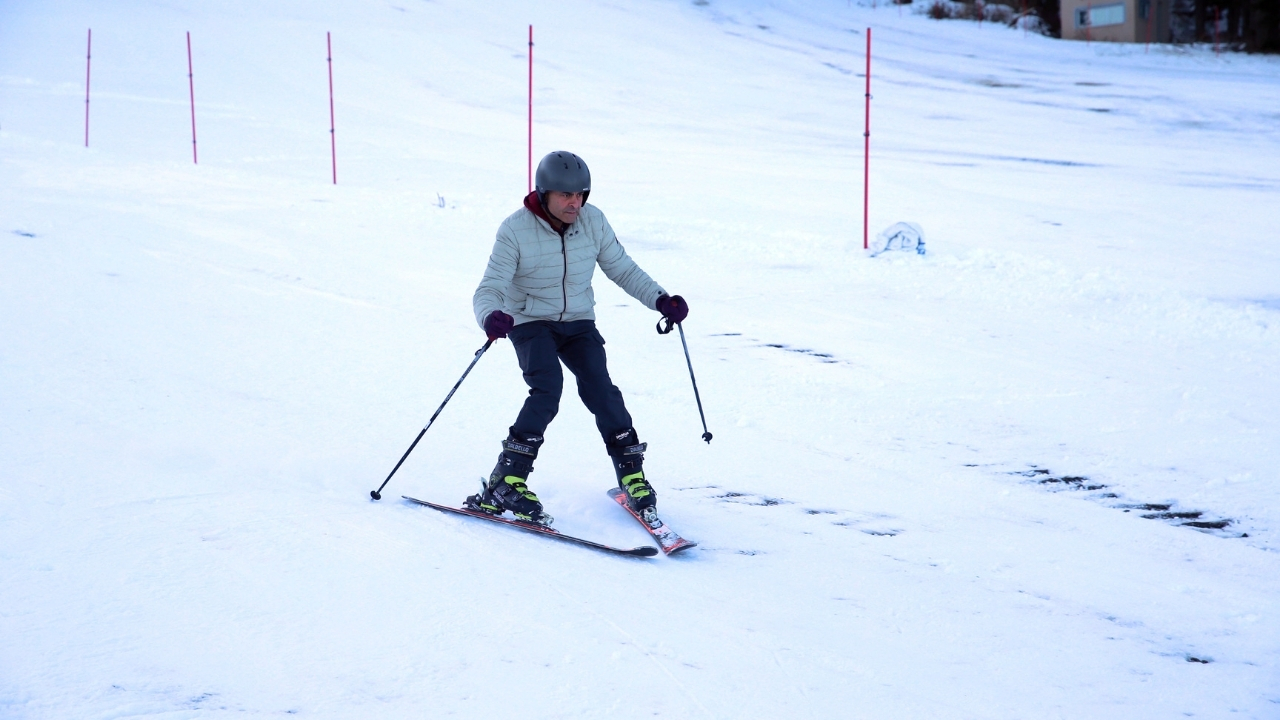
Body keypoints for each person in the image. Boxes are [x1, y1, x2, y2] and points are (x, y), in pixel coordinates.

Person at [468, 151, 689, 526]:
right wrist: (491, 316)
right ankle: (505, 481)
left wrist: (660, 299)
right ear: (544, 193)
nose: (576, 203)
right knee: (547, 387)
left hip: (577, 321)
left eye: (581, 194)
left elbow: (622, 268)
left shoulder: (593, 221)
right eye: (566, 195)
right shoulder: (515, 230)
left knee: (601, 388)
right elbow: (489, 287)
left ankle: (631, 473)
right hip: (530, 320)